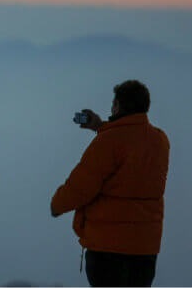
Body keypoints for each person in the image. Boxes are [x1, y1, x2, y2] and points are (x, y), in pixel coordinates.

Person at [51, 80, 169, 287]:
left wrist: (57, 205)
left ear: (118, 106)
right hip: (145, 249)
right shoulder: (159, 140)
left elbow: (81, 186)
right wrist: (100, 126)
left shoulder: (108, 142)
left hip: (109, 249)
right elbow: (130, 143)